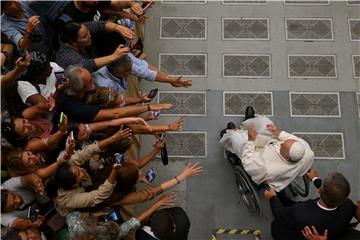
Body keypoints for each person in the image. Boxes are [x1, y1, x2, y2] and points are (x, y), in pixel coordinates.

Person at [219, 106, 314, 192]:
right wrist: (278, 133)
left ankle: (231, 135)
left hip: (258, 154)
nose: (281, 144)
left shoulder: (269, 170)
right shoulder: (308, 153)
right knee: (265, 123)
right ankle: (248, 122)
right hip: (269, 144)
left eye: (282, 146)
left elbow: (249, 160)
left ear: (287, 158)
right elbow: (291, 139)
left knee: (237, 139)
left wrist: (251, 141)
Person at [57, 65, 172, 123]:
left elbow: (119, 100)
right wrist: (148, 107)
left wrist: (140, 100)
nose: (94, 80)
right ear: (80, 88)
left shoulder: (89, 88)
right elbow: (115, 113)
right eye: (90, 81)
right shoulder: (76, 107)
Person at [264, 171, 360, 240]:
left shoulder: (300, 212)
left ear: (320, 191)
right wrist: (315, 179)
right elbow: (334, 192)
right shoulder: (349, 207)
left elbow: (279, 213)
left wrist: (272, 197)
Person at [66, 193, 176, 240]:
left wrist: (92, 214)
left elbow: (70, 215)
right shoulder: (117, 234)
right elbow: (135, 220)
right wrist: (158, 204)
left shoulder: (77, 226)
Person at [94, 53, 192, 94]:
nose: (130, 71)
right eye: (127, 71)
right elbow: (118, 103)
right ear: (117, 72)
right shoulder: (104, 84)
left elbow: (145, 70)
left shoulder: (125, 58)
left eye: (130, 69)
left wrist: (170, 79)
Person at [56, 21, 132, 72]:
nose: (89, 35)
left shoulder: (82, 29)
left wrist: (119, 28)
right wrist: (113, 56)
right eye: (84, 36)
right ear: (73, 42)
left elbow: (100, 25)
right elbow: (86, 65)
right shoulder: (65, 55)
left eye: (88, 31)